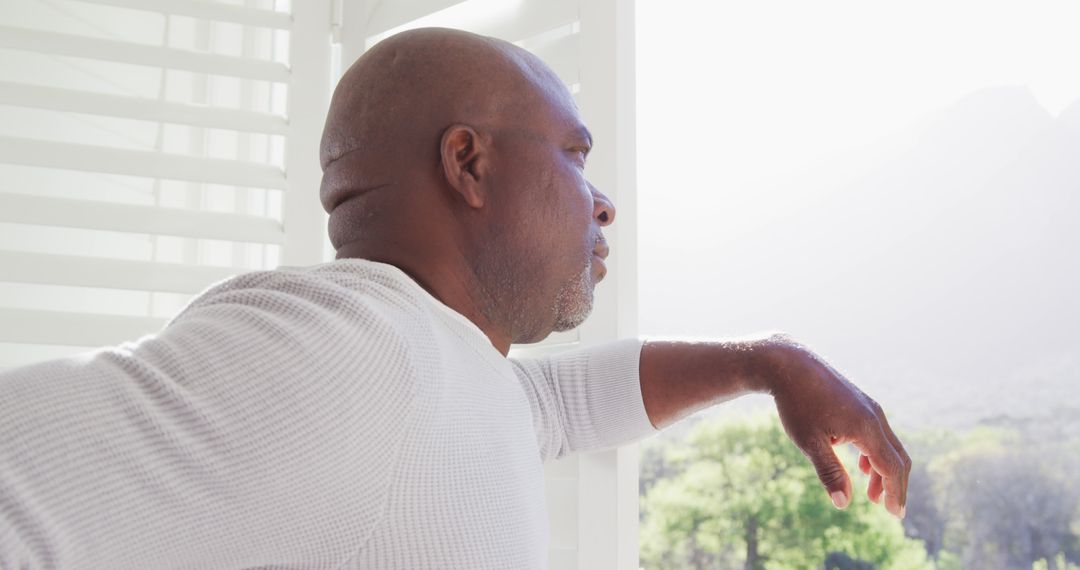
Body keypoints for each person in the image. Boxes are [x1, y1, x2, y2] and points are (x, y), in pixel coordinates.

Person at [0, 27, 910, 569]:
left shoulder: (437, 364)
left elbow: (553, 405)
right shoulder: (350, 351)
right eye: (574, 155)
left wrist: (766, 362)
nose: (603, 200)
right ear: (469, 163)